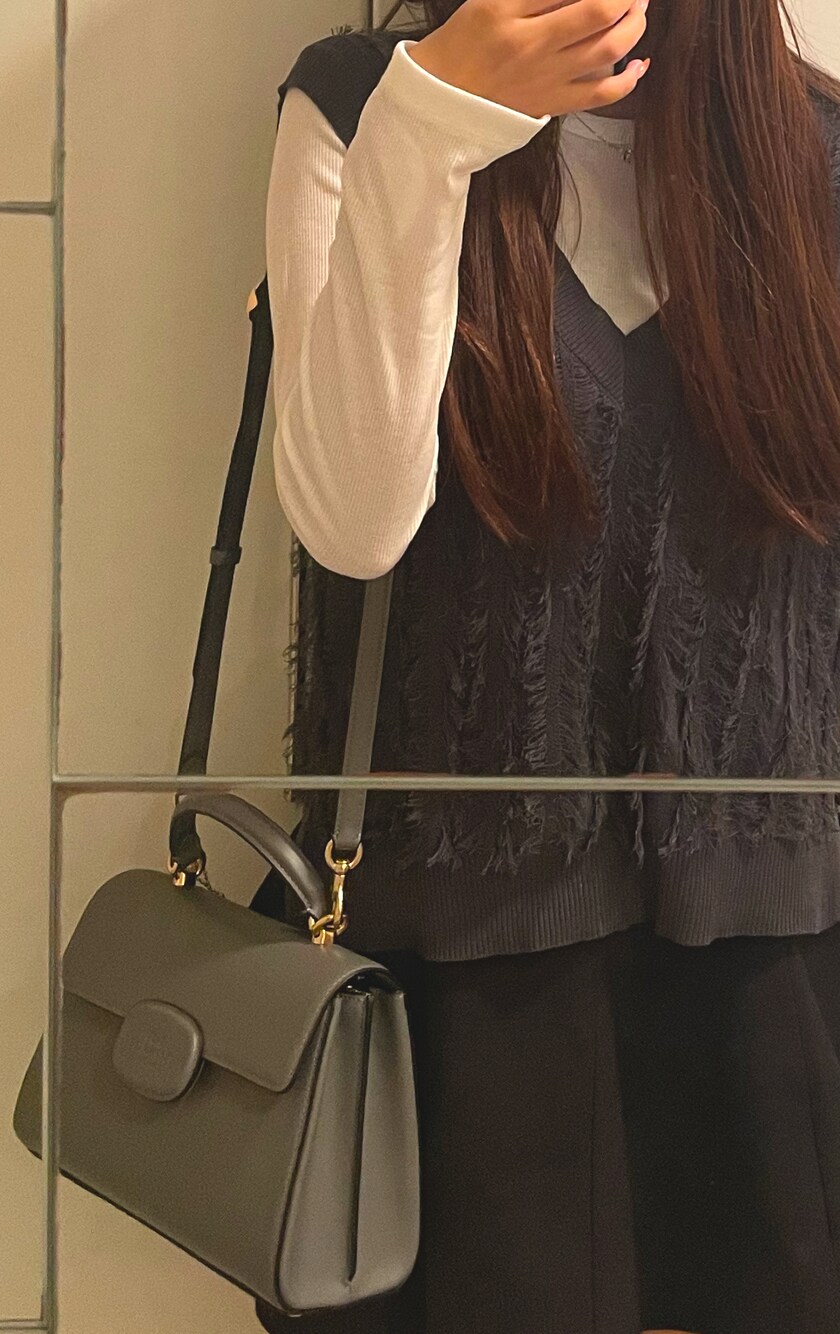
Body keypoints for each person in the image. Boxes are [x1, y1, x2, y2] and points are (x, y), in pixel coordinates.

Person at [253, 2, 840, 1330]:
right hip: (477, 969)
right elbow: (350, 524)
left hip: (780, 954)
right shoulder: (359, 105)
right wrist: (432, 122)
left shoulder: (812, 149)